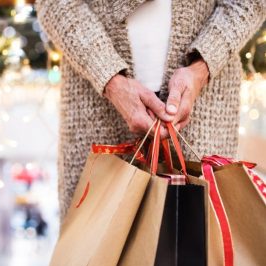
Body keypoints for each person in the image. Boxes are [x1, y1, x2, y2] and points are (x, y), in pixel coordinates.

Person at [35, 0, 265, 221]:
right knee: (91, 246)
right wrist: (109, 78)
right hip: (94, 100)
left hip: (205, 100)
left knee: (198, 242)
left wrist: (202, 68)